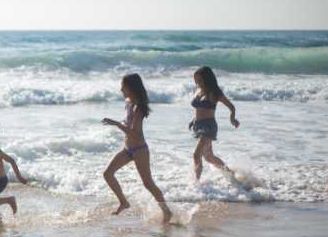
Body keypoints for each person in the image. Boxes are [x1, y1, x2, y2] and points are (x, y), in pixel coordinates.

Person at [102, 74, 172, 222]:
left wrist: (117, 124)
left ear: (131, 88)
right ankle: (124, 202)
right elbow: (128, 123)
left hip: (140, 150)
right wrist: (120, 123)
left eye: (123, 86)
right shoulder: (129, 103)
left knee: (148, 184)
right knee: (107, 174)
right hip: (128, 149)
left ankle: (167, 211)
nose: (121, 89)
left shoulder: (139, 108)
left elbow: (134, 133)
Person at [189, 66, 240, 182]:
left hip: (208, 127)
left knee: (196, 155)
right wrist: (194, 120)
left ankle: (196, 185)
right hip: (198, 126)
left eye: (199, 80)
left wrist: (232, 119)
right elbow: (199, 109)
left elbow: (231, 107)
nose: (197, 83)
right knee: (209, 157)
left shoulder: (214, 92)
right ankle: (231, 174)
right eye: (195, 80)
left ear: (207, 79)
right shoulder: (198, 90)